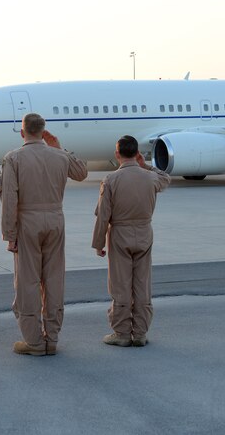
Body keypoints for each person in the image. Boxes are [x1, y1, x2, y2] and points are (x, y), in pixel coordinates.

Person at [0, 113, 87, 356]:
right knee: (54, 279)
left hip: (27, 221)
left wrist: (10, 234)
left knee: (27, 281)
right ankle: (52, 338)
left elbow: (9, 199)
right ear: (44, 131)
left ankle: (34, 341)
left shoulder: (14, 158)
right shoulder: (59, 156)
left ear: (22, 132)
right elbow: (81, 173)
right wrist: (60, 148)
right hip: (56, 220)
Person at [91, 135, 170, 347]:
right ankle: (141, 333)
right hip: (144, 232)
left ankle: (122, 333)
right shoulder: (150, 178)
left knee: (120, 285)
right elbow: (166, 178)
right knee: (142, 284)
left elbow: (103, 216)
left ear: (117, 154)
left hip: (120, 235)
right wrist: (147, 167)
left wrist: (98, 244)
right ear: (137, 154)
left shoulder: (111, 180)